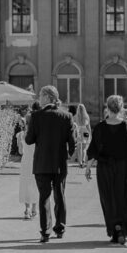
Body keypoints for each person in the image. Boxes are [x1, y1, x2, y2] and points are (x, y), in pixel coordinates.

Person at [84, 95, 127, 245]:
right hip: (124, 168)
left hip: (105, 169)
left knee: (108, 199)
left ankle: (115, 229)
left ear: (107, 107)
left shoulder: (100, 127)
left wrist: (87, 167)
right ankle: (123, 230)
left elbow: (93, 150)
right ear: (121, 109)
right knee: (123, 198)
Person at [25, 86, 76, 243]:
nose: (39, 98)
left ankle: (45, 232)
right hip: (59, 163)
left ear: (47, 97)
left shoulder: (36, 116)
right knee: (59, 195)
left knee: (44, 197)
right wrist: (67, 154)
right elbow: (72, 143)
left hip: (41, 163)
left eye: (40, 95)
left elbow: (29, 140)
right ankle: (60, 228)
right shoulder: (66, 116)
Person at [17, 102, 40, 220]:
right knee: (36, 183)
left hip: (26, 161)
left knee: (25, 184)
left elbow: (21, 152)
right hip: (36, 161)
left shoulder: (21, 135)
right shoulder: (39, 135)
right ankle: (35, 208)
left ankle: (27, 209)